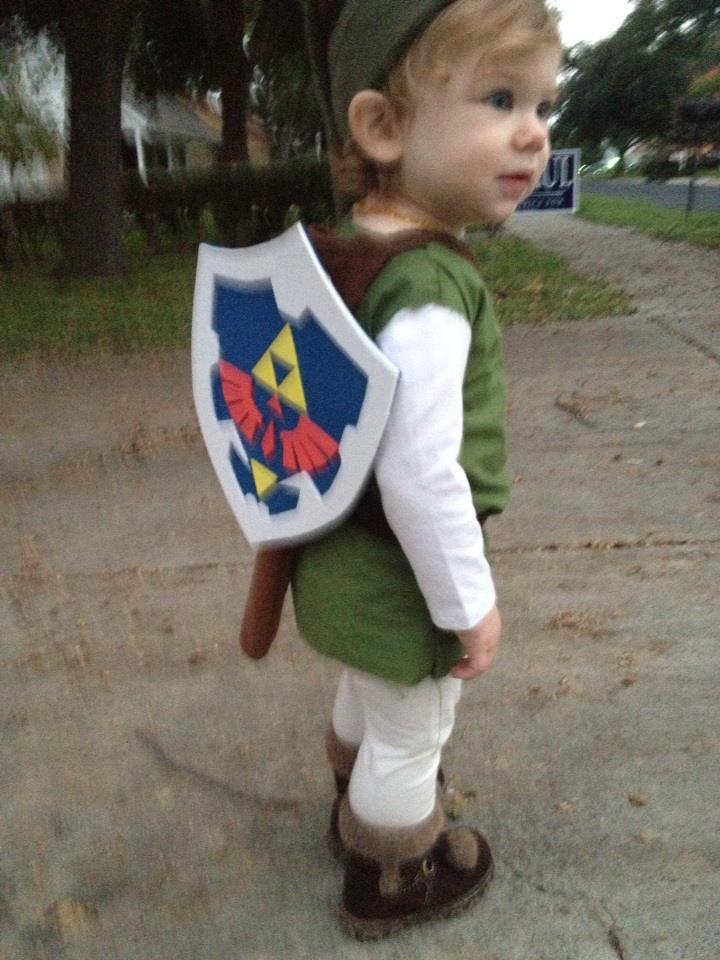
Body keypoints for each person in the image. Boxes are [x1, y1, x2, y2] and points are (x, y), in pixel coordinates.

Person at [292, 0, 562, 938]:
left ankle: (351, 798)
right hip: (404, 575)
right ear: (383, 128)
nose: (534, 131)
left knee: (368, 689)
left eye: (543, 105)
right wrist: (468, 604)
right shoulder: (432, 290)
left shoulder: (350, 245)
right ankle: (389, 874)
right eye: (500, 99)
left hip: (334, 552)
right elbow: (419, 474)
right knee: (416, 728)